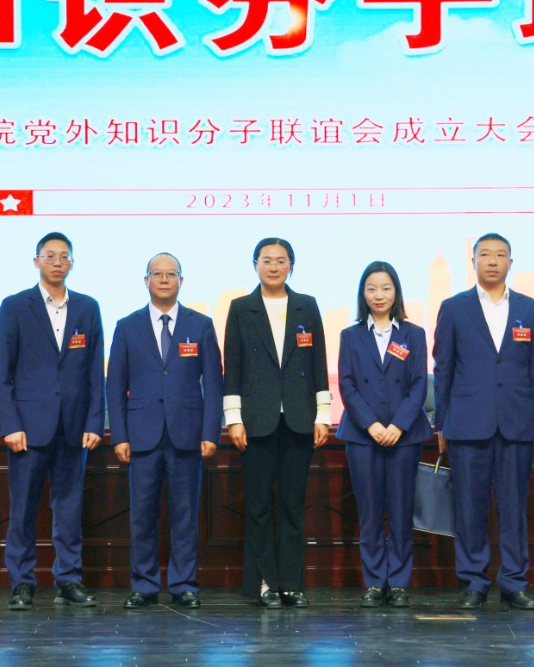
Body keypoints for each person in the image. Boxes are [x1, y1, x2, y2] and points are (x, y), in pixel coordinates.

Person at [433, 233, 534, 611]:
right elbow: (443, 369)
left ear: (511, 263)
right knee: (469, 508)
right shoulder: (454, 308)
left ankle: (514, 582)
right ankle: (474, 581)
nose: (493, 261)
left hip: (516, 422)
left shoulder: (530, 309)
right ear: (474, 262)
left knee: (514, 508)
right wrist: (442, 424)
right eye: (485, 254)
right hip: (467, 423)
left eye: (500, 255)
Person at [0, 232, 105, 610]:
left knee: (69, 510)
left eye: (64, 256)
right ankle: (22, 583)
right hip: (27, 428)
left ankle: (68, 579)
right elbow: (2, 372)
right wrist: (10, 425)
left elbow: (95, 371)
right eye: (50, 256)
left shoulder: (87, 307)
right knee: (23, 510)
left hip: (73, 427)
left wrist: (94, 422)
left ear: (72, 263)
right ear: (36, 261)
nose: (58, 262)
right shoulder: (15, 306)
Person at [107, 253, 223, 609]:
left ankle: (184, 583)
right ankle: (143, 584)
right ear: (146, 280)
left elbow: (214, 384)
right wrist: (120, 435)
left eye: (171, 274)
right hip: (141, 436)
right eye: (156, 274)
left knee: (185, 516)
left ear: (181, 281)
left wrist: (210, 432)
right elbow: (115, 386)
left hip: (187, 435)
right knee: (141, 516)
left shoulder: (200, 325)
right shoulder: (127, 326)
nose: (163, 279)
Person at [223, 237, 331, 608]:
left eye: (281, 260)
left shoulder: (307, 305)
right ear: (255, 265)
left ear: (291, 266)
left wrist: (323, 413)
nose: (273, 266)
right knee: (258, 507)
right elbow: (232, 365)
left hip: (299, 419)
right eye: (266, 260)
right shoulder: (241, 308)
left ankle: (292, 584)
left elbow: (318, 362)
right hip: (255, 421)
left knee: (292, 505)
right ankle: (265, 583)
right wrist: (233, 418)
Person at [336, 261, 431, 608]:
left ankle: (400, 583)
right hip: (363, 435)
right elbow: (347, 384)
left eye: (386, 288)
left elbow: (419, 385)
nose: (379, 295)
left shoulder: (413, 334)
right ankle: (376, 582)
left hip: (404, 435)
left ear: (396, 292)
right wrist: (372, 425)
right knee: (370, 512)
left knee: (402, 510)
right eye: (372, 288)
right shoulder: (350, 336)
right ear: (363, 293)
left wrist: (398, 425)